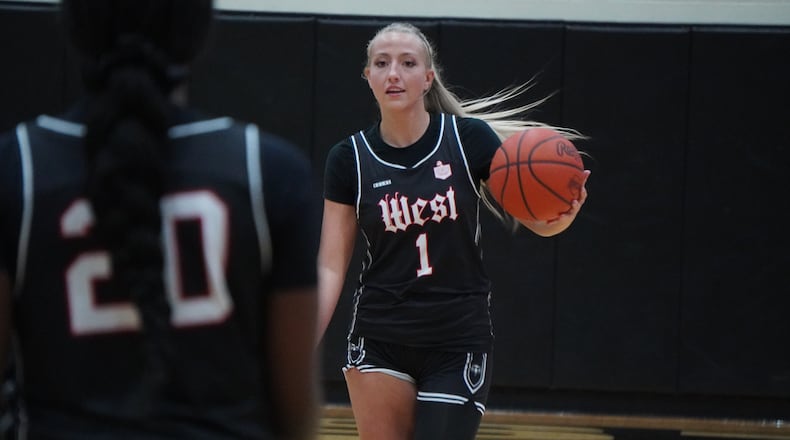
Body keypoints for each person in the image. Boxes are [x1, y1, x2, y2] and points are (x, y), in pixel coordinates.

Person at [0, 1, 321, 439]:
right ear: (201, 28)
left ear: (71, 24)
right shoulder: (270, 172)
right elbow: (296, 413)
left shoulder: (17, 167)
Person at [316, 22, 590, 439]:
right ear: (367, 76)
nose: (394, 73)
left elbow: (538, 222)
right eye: (382, 63)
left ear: (428, 78)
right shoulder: (348, 158)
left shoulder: (469, 141)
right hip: (379, 333)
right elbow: (330, 268)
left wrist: (565, 212)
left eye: (408, 63)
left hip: (456, 336)